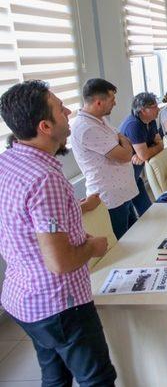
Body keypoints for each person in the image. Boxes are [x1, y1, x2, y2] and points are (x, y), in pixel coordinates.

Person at [0, 80, 117, 386]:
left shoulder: (8, 162)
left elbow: (27, 221)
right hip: (60, 306)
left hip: (23, 301)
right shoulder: (45, 178)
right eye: (60, 108)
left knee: (54, 377)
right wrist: (94, 247)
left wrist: (76, 209)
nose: (68, 111)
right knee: (97, 379)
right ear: (45, 126)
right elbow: (61, 262)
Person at [71, 78, 140, 240]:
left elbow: (123, 140)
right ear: (98, 102)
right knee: (121, 246)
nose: (115, 103)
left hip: (122, 194)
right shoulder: (86, 128)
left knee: (135, 237)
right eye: (112, 100)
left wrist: (121, 140)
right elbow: (125, 155)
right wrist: (122, 141)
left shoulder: (100, 120)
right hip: (110, 198)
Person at [120, 92, 164, 216]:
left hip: (134, 175)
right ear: (143, 110)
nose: (159, 109)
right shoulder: (134, 125)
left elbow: (161, 143)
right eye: (155, 106)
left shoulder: (151, 121)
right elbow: (145, 154)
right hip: (124, 179)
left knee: (147, 211)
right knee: (129, 218)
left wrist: (147, 151)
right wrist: (149, 151)